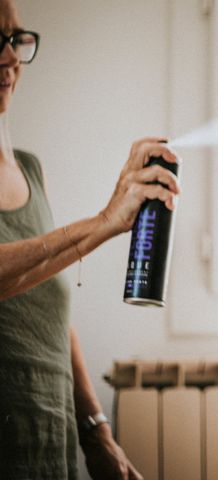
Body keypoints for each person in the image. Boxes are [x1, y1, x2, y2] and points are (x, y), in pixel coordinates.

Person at [0, 1, 180, 478]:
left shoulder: (29, 170)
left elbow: (50, 305)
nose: (11, 59)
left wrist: (97, 433)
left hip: (51, 443)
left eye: (16, 39)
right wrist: (105, 221)